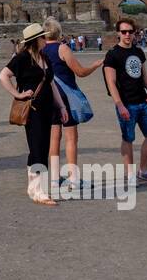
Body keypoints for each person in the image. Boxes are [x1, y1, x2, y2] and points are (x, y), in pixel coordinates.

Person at [1, 23, 68, 206]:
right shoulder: (22, 58)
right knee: (38, 147)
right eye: (43, 37)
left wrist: (61, 106)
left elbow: (51, 83)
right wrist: (18, 94)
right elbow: (3, 75)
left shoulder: (44, 57)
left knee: (41, 147)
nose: (46, 40)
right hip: (33, 110)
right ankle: (39, 191)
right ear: (35, 40)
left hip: (48, 108)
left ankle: (33, 187)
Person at [41, 18, 102, 187]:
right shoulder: (62, 48)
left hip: (48, 97)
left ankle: (54, 178)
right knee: (71, 138)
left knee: (54, 138)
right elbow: (80, 72)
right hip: (65, 97)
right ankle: (73, 178)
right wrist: (94, 66)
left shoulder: (40, 50)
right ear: (59, 32)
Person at [102, 19, 147, 185]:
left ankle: (143, 170)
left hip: (143, 101)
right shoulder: (112, 55)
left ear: (135, 32)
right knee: (128, 138)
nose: (127, 34)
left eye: (130, 31)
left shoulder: (138, 51)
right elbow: (111, 82)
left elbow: (143, 75)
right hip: (126, 103)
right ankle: (129, 174)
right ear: (118, 33)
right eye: (124, 32)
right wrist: (119, 104)